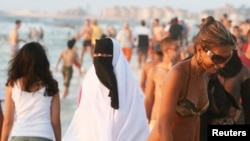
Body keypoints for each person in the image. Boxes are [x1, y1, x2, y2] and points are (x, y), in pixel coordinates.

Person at [157, 16, 235, 141]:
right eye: (218, 58)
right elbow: (163, 126)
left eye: (227, 59)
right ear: (200, 49)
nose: (222, 65)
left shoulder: (206, 75)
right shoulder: (178, 74)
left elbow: (195, 122)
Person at [63, 38, 149, 141]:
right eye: (97, 55)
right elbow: (83, 114)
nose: (100, 59)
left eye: (105, 56)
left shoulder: (129, 87)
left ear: (116, 57)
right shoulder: (90, 80)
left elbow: (136, 123)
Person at [1, 42, 61, 141]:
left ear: (20, 62)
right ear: (43, 63)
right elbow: (55, 121)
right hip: (43, 136)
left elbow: (8, 121)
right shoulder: (51, 85)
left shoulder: (12, 85)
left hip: (19, 135)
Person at [200, 49, 250, 141]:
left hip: (236, 119)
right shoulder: (210, 68)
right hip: (211, 120)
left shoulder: (243, 71)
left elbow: (247, 104)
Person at [144, 37, 181, 140]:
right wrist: (145, 118)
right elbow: (148, 98)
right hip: (157, 120)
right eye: (176, 48)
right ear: (166, 51)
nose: (179, 51)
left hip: (176, 121)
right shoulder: (155, 70)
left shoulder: (183, 70)